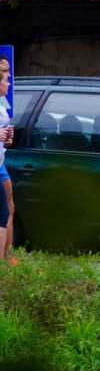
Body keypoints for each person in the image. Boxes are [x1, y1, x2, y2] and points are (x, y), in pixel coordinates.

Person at [0, 57, 14, 258]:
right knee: (3, 211)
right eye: (6, 78)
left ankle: (5, 257)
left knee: (6, 209)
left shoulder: (2, 107)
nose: (9, 82)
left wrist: (6, 137)